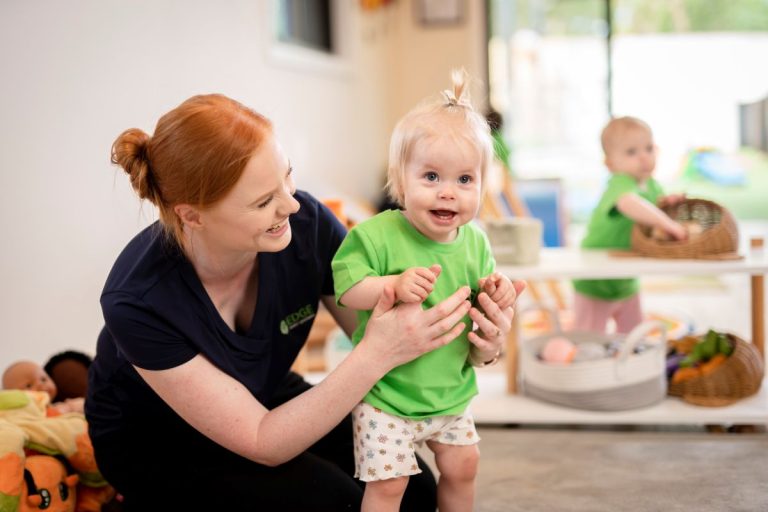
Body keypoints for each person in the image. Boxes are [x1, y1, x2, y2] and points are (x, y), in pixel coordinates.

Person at [85, 93, 510, 510]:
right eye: (263, 201)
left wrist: (483, 344)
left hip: (264, 391)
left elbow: (393, 329)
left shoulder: (306, 225)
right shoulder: (138, 300)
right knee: (336, 503)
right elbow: (263, 440)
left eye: (287, 177)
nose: (290, 204)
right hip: (158, 436)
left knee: (415, 494)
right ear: (192, 215)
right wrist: (376, 354)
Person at [332, 70, 525, 512]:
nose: (448, 194)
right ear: (401, 179)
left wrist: (497, 296)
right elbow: (347, 289)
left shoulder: (475, 241)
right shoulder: (377, 235)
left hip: (450, 394)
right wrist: (390, 285)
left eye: (464, 180)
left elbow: (483, 314)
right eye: (432, 176)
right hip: (386, 397)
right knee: (389, 486)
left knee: (464, 466)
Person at [572, 116, 687, 333]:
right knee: (588, 339)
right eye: (631, 152)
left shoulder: (652, 185)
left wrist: (668, 204)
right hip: (595, 277)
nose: (644, 157)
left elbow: (655, 210)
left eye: (648, 148)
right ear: (610, 164)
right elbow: (630, 204)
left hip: (626, 277)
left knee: (635, 336)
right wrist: (669, 224)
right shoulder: (620, 183)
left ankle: (628, 363)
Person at [2, 360, 84, 414]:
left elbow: (85, 406)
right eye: (29, 385)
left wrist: (70, 407)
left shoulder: (62, 405)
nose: (40, 384)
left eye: (43, 379)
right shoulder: (23, 413)